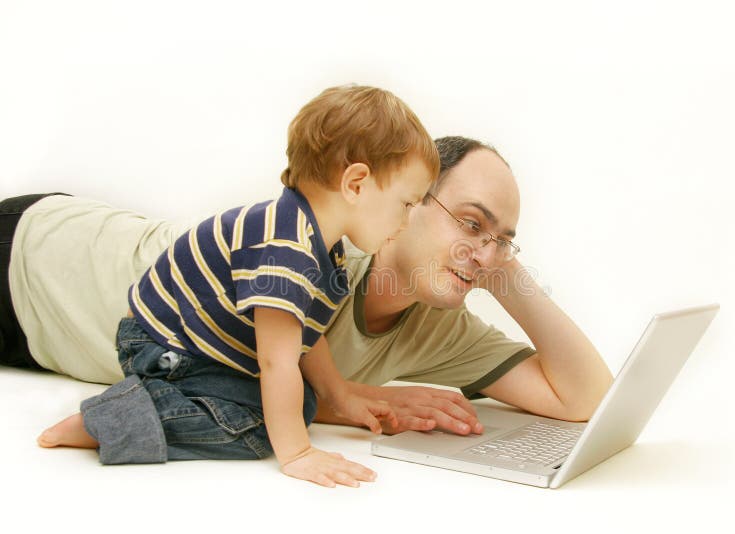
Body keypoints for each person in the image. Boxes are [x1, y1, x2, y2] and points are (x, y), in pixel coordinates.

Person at [2, 136, 612, 461]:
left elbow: (585, 400)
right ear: (412, 201)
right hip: (35, 257)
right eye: (470, 224)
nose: (483, 252)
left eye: (503, 240)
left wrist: (502, 265)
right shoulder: (324, 246)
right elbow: (264, 376)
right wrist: (342, 399)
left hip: (40, 338)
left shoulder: (440, 326)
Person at [30, 84, 440, 488]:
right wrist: (297, 453)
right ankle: (111, 421)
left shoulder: (321, 246)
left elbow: (303, 337)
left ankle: (147, 407)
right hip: (166, 346)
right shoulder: (286, 248)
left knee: (303, 403)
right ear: (355, 184)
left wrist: (340, 395)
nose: (405, 222)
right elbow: (276, 363)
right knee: (259, 430)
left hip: (201, 345)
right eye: (406, 204)